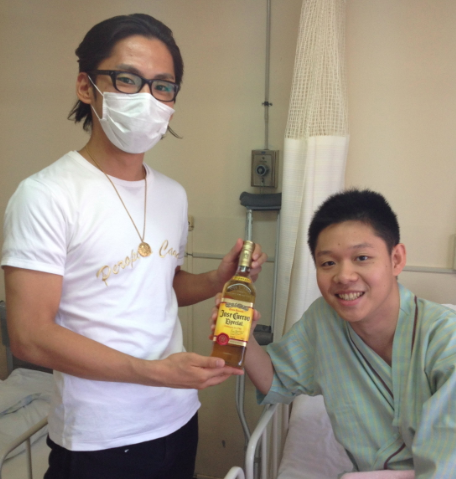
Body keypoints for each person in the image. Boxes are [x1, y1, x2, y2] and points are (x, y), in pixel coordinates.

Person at [1, 14, 267, 479]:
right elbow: (29, 335)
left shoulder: (172, 194)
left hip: (177, 416)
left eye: (163, 86)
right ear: (86, 87)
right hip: (100, 437)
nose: (147, 98)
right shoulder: (45, 195)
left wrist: (217, 278)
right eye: (127, 80)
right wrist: (155, 371)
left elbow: (160, 285)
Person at [215, 189, 456, 477]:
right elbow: (275, 380)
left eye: (362, 257)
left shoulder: (446, 340)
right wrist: (244, 336)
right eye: (328, 263)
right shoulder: (324, 322)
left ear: (396, 259)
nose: (343, 276)